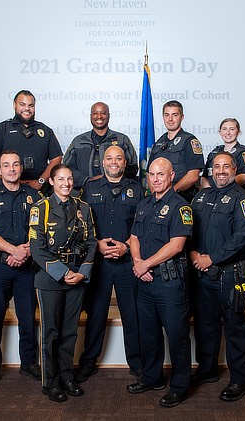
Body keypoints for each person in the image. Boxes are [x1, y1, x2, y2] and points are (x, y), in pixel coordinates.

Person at [189, 152, 245, 402]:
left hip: (229, 277)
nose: (220, 171)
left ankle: (239, 380)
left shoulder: (244, 200)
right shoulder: (201, 197)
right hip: (202, 274)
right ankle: (207, 370)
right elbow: (190, 229)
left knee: (235, 329)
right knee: (206, 327)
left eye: (225, 166)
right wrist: (195, 252)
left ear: (234, 169)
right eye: (216, 167)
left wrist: (212, 258)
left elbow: (241, 239)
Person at [126, 157, 193, 408]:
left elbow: (176, 245)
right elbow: (133, 237)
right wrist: (137, 262)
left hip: (169, 283)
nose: (155, 179)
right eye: (152, 174)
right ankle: (152, 378)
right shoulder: (144, 204)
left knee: (176, 336)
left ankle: (179, 386)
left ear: (171, 175)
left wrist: (146, 264)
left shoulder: (180, 206)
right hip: (144, 280)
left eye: (160, 174)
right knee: (149, 335)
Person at [0, 150, 42, 390]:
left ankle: (29, 363)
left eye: (15, 164)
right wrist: (13, 250)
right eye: (6, 165)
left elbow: (40, 230)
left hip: (27, 266)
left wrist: (26, 251)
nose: (11, 169)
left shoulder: (34, 196)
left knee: (27, 317)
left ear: (21, 168)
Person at [29, 164, 97, 403]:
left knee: (69, 332)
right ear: (51, 182)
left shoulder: (83, 208)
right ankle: (51, 382)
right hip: (50, 278)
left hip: (77, 276)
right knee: (51, 332)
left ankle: (67, 377)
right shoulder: (41, 208)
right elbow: (37, 249)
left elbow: (91, 242)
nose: (66, 183)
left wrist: (82, 272)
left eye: (69, 179)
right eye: (61, 179)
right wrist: (63, 272)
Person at [77, 145, 144, 381]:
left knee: (132, 315)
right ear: (102, 163)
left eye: (119, 158)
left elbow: (142, 226)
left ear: (125, 163)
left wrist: (126, 246)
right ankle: (89, 360)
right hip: (99, 262)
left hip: (127, 263)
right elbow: (82, 225)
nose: (114, 162)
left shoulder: (137, 189)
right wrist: (96, 244)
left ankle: (137, 363)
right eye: (109, 158)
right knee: (95, 313)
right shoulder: (90, 188)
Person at [0, 90, 63, 191]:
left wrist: (40, 181)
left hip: (39, 189)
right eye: (22, 104)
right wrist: (10, 179)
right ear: (14, 105)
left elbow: (56, 159)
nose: (27, 109)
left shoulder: (45, 131)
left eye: (31, 105)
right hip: (7, 190)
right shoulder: (2, 129)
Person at [62, 101, 139, 194]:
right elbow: (66, 168)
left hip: (115, 193)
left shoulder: (122, 140)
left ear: (108, 116)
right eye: (95, 113)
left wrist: (108, 179)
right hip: (83, 194)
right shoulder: (79, 141)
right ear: (90, 116)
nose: (99, 116)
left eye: (103, 113)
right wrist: (87, 180)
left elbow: (132, 167)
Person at [147, 100, 204, 201]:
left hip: (182, 198)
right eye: (167, 115)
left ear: (182, 117)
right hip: (158, 199)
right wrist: (156, 194)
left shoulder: (189, 141)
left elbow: (193, 175)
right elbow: (149, 173)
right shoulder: (158, 143)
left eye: (175, 115)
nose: (170, 119)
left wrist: (170, 194)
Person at [200, 118, 245, 192]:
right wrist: (211, 192)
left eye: (232, 129)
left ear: (238, 132)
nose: (228, 133)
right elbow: (204, 177)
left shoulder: (244, 152)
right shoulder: (214, 152)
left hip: (234, 194)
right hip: (213, 195)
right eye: (224, 129)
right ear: (220, 132)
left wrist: (223, 188)